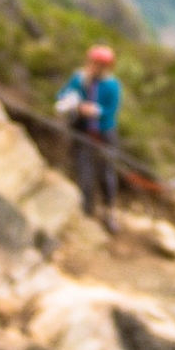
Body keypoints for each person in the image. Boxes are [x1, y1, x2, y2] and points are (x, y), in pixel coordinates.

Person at [52, 44, 124, 225]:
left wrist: (95, 111)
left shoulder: (112, 86)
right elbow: (62, 95)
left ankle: (109, 211)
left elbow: (110, 111)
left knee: (106, 171)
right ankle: (86, 210)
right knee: (84, 170)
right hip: (82, 131)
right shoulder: (80, 79)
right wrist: (73, 104)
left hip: (104, 132)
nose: (95, 67)